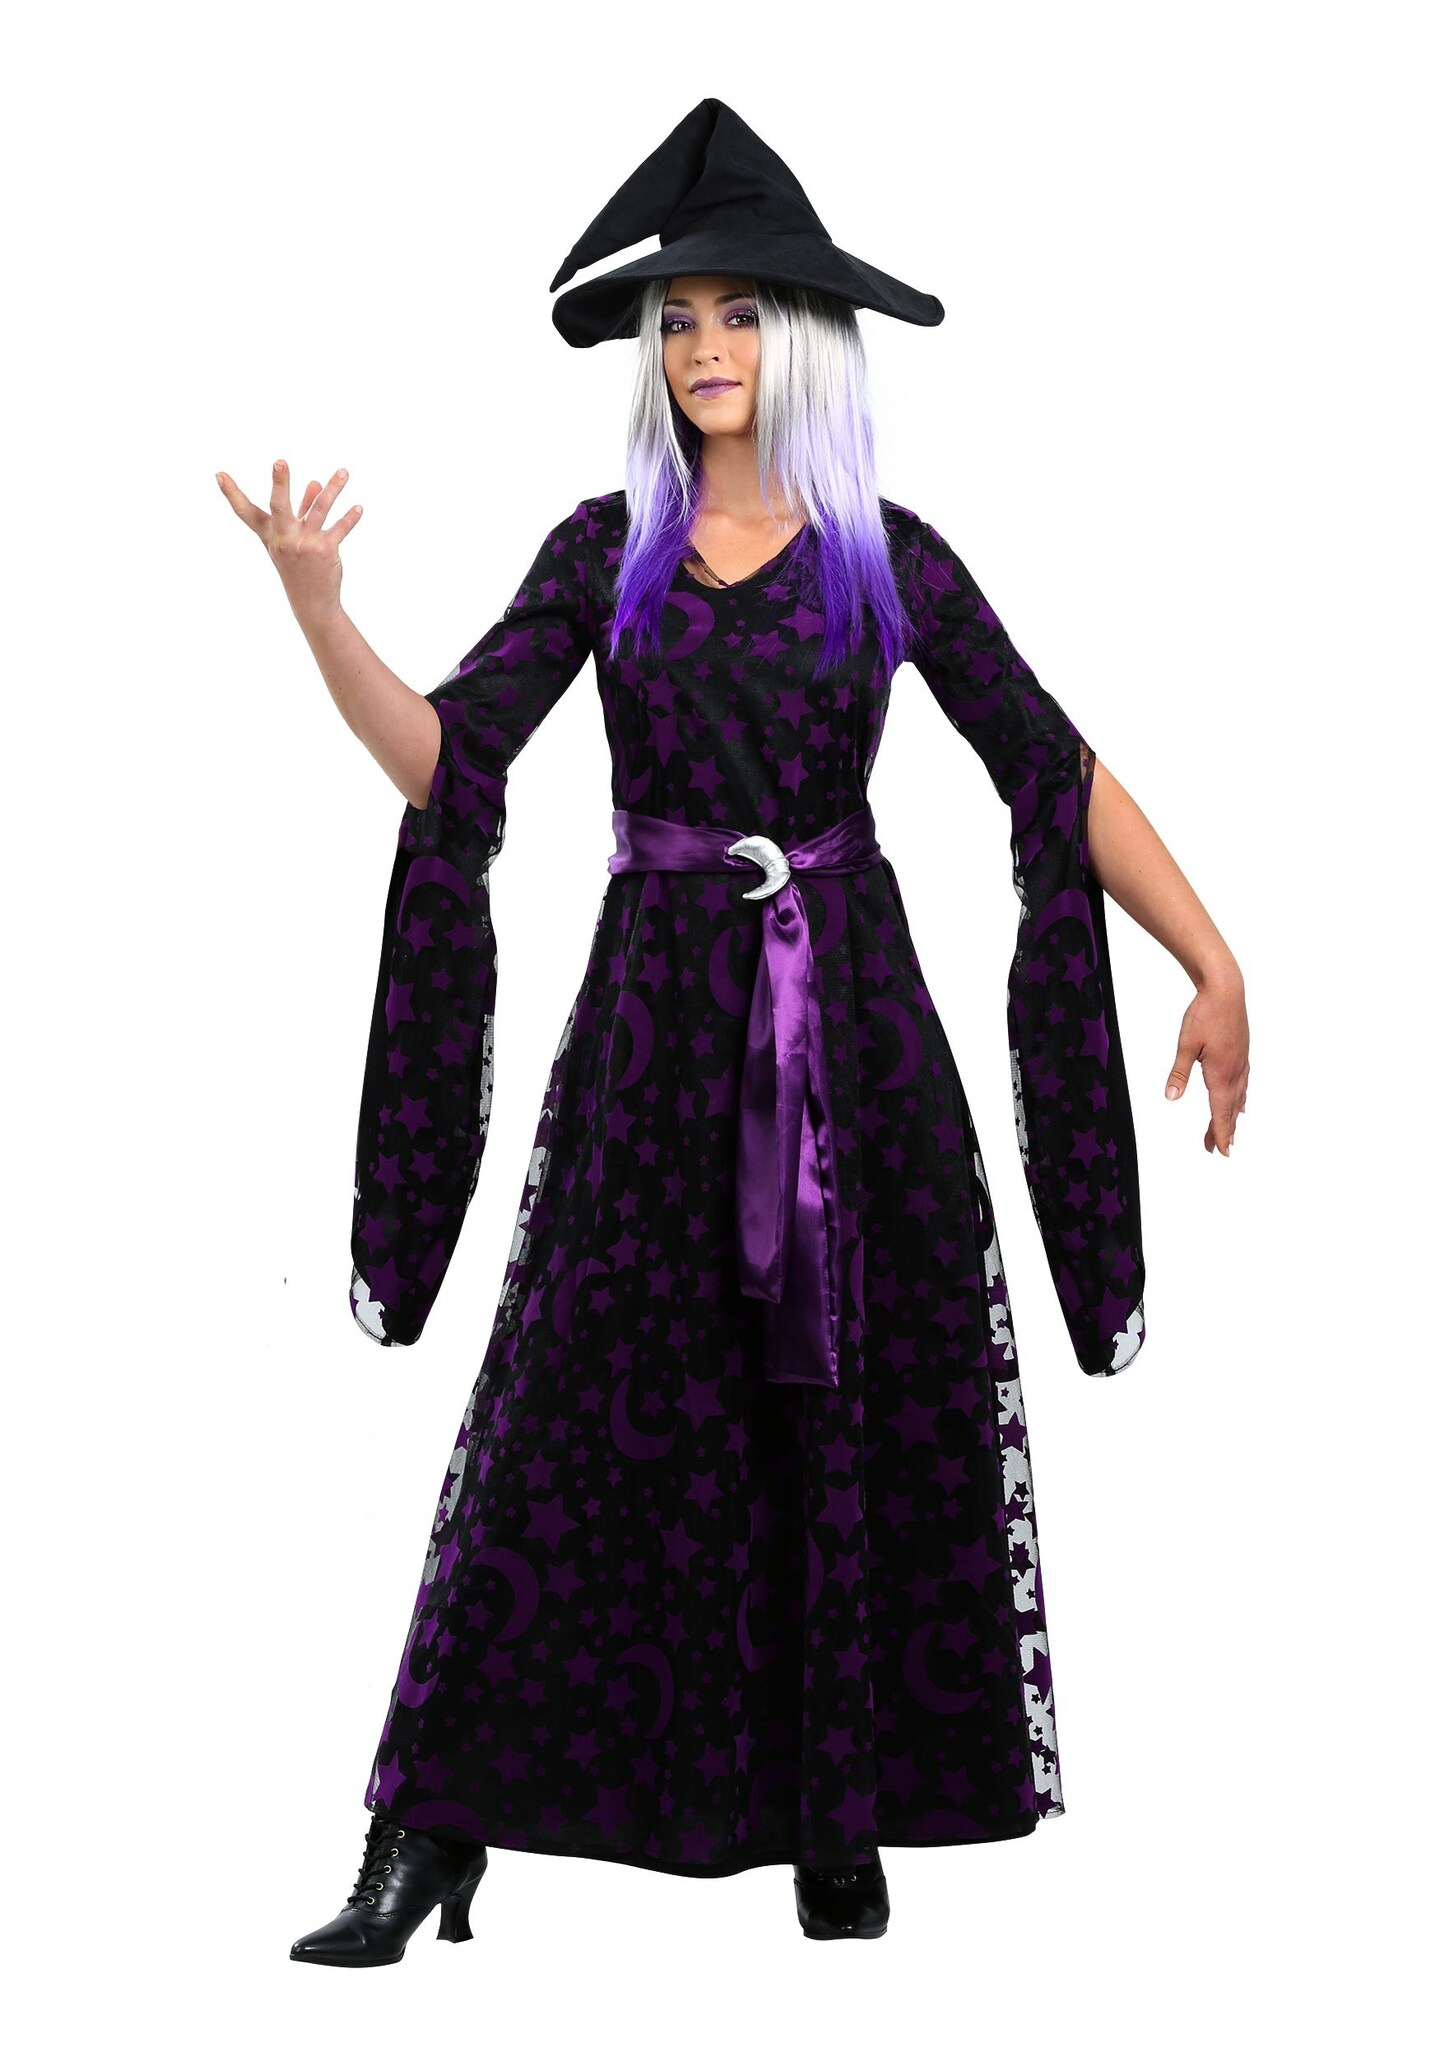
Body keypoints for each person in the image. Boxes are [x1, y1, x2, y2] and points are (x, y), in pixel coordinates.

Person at [217, 101, 1248, 1962]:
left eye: (740, 310)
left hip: (853, 1047)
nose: (703, 345)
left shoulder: (888, 559)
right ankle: (425, 1827)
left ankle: (834, 1822)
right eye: (677, 317)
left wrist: (1211, 954)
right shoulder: (603, 551)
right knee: (554, 1415)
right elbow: (453, 760)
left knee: (839, 1402)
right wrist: (321, 617)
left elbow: (1053, 765)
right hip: (652, 1052)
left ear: (806, 337)